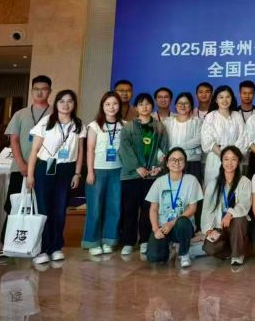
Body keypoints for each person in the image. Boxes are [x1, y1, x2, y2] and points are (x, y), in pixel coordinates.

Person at [25, 89, 86, 265]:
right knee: (44, 209)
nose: (65, 104)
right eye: (62, 101)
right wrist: (30, 175)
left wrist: (77, 173)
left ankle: (56, 247)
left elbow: (80, 151)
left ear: (74, 104)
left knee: (59, 210)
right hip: (45, 167)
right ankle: (42, 249)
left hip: (66, 169)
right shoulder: (46, 122)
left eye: (70, 101)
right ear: (56, 103)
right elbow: (34, 150)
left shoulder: (78, 125)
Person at [1, 74, 52, 250]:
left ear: (50, 92)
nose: (40, 92)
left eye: (44, 89)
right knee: (14, 205)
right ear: (31, 91)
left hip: (44, 169)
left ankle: (39, 244)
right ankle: (8, 244)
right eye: (36, 89)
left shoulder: (55, 114)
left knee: (42, 206)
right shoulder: (20, 114)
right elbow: (13, 140)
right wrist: (22, 164)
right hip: (20, 168)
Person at [119, 93, 169, 255]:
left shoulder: (159, 127)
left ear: (152, 106)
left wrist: (160, 167)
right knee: (130, 209)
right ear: (136, 107)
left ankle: (145, 240)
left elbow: (164, 149)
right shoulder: (128, 127)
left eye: (148, 104)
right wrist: (137, 167)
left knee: (148, 209)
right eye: (141, 104)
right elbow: (124, 148)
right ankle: (128, 241)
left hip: (152, 176)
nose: (145, 107)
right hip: (132, 176)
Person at [145, 147, 203, 268]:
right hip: (163, 227)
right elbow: (153, 209)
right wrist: (156, 229)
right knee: (154, 257)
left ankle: (184, 253)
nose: (177, 163)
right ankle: (170, 245)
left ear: (185, 163)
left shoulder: (191, 180)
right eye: (173, 159)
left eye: (180, 159)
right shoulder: (159, 182)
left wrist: (171, 223)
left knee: (182, 222)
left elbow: (192, 209)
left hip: (181, 226)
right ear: (167, 163)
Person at [82, 91, 123, 256]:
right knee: (95, 207)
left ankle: (108, 240)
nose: (111, 107)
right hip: (98, 170)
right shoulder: (94, 125)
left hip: (118, 171)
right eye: (107, 104)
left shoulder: (124, 125)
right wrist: (90, 172)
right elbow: (90, 149)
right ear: (102, 106)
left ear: (119, 106)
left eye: (115, 104)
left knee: (114, 207)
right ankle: (92, 242)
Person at [201, 146, 252, 265]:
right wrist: (208, 229)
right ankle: (232, 249)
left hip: (236, 224)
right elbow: (207, 208)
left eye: (233, 159)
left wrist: (230, 213)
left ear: (238, 161)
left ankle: (237, 255)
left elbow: (244, 203)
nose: (230, 163)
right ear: (222, 161)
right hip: (219, 224)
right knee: (209, 248)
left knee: (239, 219)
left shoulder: (245, 181)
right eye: (226, 159)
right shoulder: (214, 184)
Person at [200, 85, 250, 193]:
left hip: (234, 159)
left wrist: (232, 157)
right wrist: (223, 156)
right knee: (214, 191)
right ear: (216, 100)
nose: (224, 100)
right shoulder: (211, 116)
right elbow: (207, 140)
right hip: (215, 158)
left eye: (228, 97)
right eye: (221, 97)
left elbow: (243, 137)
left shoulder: (237, 115)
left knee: (234, 191)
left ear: (232, 99)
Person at [164, 92, 202, 180]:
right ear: (176, 106)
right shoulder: (167, 122)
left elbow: (198, 140)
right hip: (172, 163)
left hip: (191, 162)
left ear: (191, 105)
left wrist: (176, 147)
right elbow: (163, 141)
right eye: (180, 103)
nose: (183, 106)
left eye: (186, 103)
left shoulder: (197, 122)